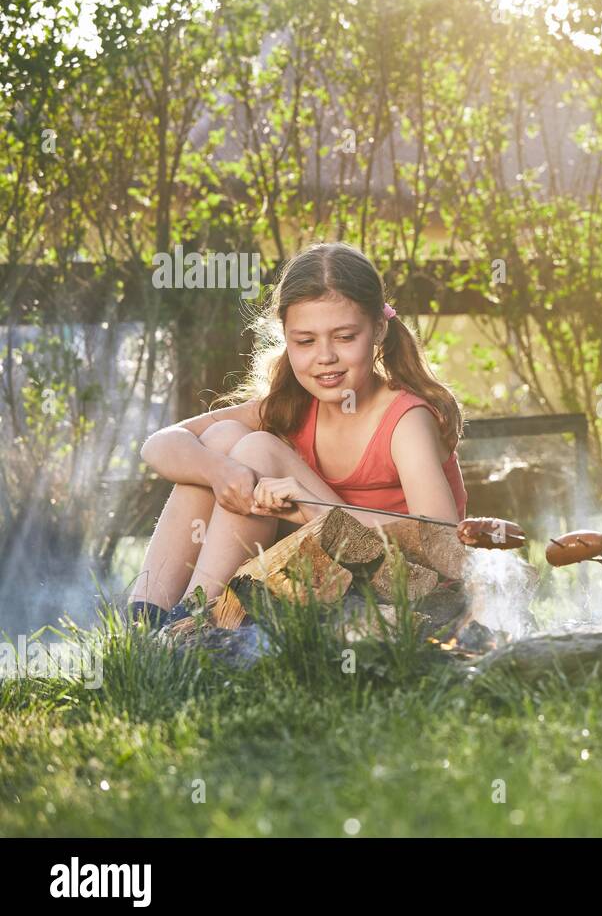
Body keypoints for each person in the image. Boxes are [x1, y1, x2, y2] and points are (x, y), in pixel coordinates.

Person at [126, 242, 467, 627]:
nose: (325, 357)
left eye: (344, 338)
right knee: (219, 442)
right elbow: (158, 446)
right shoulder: (294, 406)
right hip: (327, 570)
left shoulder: (406, 420)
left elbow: (441, 545)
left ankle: (190, 623)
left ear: (378, 329)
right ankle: (145, 623)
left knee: (256, 450)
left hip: (402, 582)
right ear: (286, 339)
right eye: (305, 341)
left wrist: (305, 503)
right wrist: (219, 474)